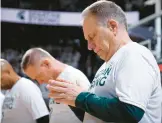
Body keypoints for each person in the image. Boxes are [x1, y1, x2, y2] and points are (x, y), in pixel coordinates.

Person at [46, 1, 162, 123]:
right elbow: (97, 115)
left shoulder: (134, 54)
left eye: (92, 37)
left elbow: (130, 112)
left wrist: (80, 97)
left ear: (112, 26)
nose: (89, 46)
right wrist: (71, 99)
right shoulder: (107, 64)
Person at [21, 48, 90, 123]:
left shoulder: (73, 77)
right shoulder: (56, 81)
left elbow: (90, 116)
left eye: (39, 76)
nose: (40, 82)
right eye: (35, 79)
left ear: (46, 64)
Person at [0, 59, 49, 123]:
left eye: (1, 79)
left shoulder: (25, 86)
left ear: (8, 72)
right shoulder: (9, 91)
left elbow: (43, 117)